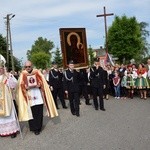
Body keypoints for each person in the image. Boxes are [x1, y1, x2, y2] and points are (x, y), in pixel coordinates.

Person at [16, 60, 58, 135]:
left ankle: (38, 127)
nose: (28, 68)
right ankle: (33, 128)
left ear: (32, 66)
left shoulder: (37, 72)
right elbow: (20, 85)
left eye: (29, 66)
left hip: (37, 95)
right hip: (29, 96)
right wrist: (25, 87)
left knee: (38, 112)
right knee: (31, 112)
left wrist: (39, 84)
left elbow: (42, 81)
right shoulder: (23, 74)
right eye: (26, 67)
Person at [0, 58, 19, 138]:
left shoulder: (8, 75)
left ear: (3, 68)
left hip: (7, 98)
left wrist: (9, 78)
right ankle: (2, 131)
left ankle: (12, 131)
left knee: (9, 114)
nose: (0, 70)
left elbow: (14, 85)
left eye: (1, 68)